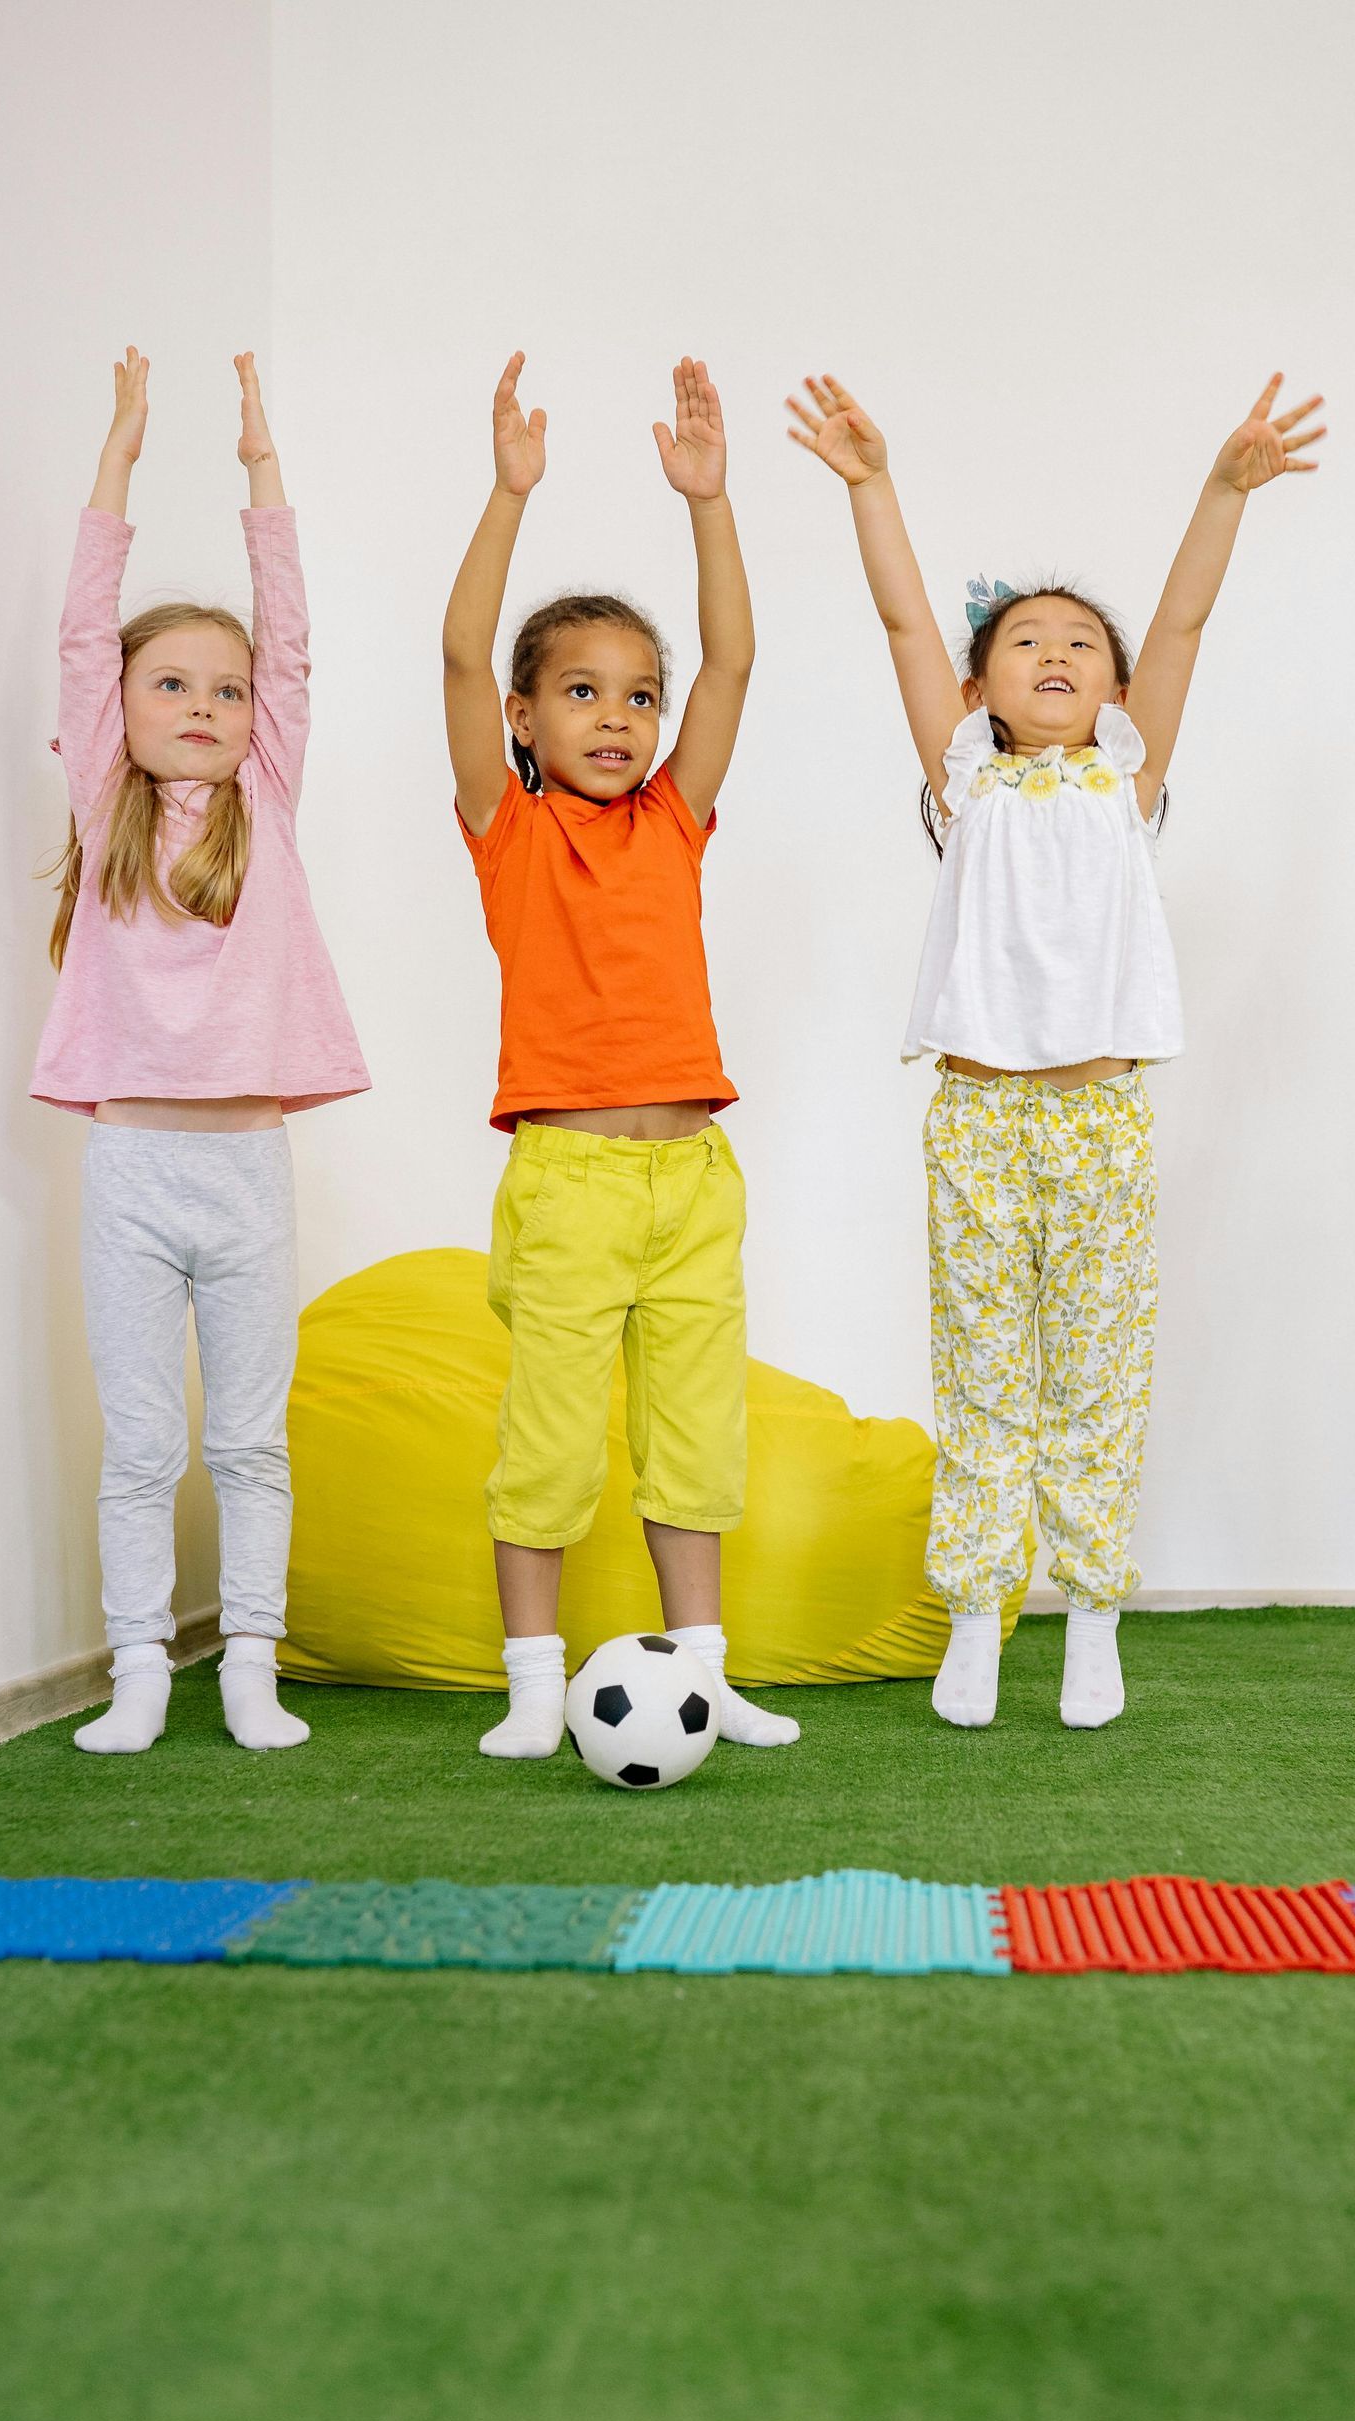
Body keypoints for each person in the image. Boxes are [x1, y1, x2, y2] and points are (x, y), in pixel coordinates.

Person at [786, 368, 1324, 1728]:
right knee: (985, 1377)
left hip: (1099, 1121)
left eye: (1082, 643)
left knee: (1097, 1374)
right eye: (1027, 642)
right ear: (981, 688)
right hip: (977, 1118)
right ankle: (980, 1610)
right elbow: (906, 619)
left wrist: (1224, 489)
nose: (1056, 657)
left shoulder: (1123, 783)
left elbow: (1188, 621)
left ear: (1117, 689)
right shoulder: (967, 784)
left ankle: (1092, 1616)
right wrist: (869, 483)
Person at [443, 352, 797, 1760]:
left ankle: (702, 1676)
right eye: (580, 693)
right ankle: (538, 1689)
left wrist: (710, 503)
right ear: (527, 721)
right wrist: (507, 494)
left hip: (694, 1177)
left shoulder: (675, 820)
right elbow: (460, 655)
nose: (616, 716)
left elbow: (737, 661)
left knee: (696, 1441)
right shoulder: (508, 830)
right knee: (546, 1443)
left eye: (635, 696)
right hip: (572, 1179)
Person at [39, 349, 369, 1756]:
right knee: (143, 1445)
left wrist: (259, 472)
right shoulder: (105, 793)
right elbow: (78, 632)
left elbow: (290, 634)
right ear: (122, 709)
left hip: (244, 1171)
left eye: (227, 693)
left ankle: (248, 1660)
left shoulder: (269, 800)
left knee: (247, 1439)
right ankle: (137, 1671)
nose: (207, 707)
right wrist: (119, 453)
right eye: (173, 684)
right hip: (131, 1166)